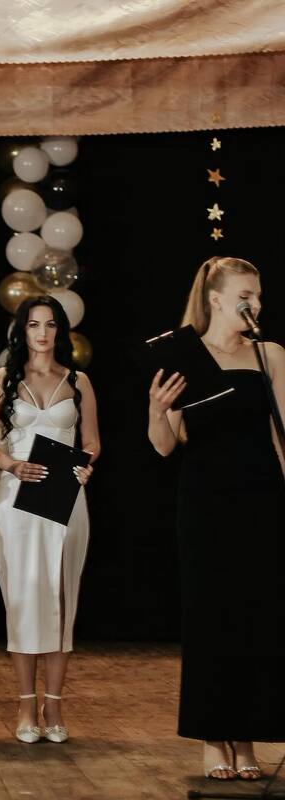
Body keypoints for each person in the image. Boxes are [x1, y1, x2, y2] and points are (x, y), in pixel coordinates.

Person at [147, 256, 285, 780]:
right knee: (211, 617)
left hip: (261, 499)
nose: (255, 304)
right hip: (205, 501)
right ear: (216, 299)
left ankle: (246, 737)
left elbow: (282, 436)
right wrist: (156, 410)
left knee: (255, 617)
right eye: (245, 295)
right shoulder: (184, 355)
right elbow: (164, 445)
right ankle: (213, 735)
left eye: (259, 294)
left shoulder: (270, 354)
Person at [0, 295, 99, 744]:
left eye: (50, 324)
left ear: (60, 330)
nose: (43, 333)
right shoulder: (3, 379)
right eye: (34, 324)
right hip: (18, 496)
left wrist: (86, 464)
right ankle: (26, 704)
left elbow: (92, 441)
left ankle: (54, 704)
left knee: (62, 596)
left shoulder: (79, 381)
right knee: (24, 597)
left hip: (65, 497)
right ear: (22, 331)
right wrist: (10, 464)